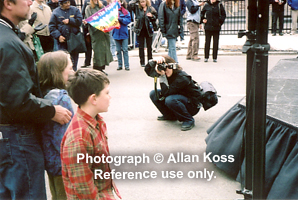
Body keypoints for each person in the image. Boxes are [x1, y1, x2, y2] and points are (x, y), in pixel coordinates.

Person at [0, 0, 72, 198]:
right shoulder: (8, 43)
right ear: (8, 3)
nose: (30, 2)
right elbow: (18, 101)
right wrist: (51, 111)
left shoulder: (8, 37)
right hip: (16, 137)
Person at [61, 68, 121, 199]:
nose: (110, 97)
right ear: (93, 98)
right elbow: (85, 190)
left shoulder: (95, 121)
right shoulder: (79, 137)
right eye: (107, 93)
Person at [37, 51, 74, 200]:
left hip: (51, 162)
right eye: (70, 68)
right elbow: (63, 139)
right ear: (58, 72)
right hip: (63, 165)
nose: (73, 71)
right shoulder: (61, 98)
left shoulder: (44, 96)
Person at [145, 55, 201, 131]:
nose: (165, 71)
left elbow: (166, 93)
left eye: (167, 68)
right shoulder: (166, 73)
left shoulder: (182, 78)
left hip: (192, 105)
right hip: (179, 99)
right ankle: (169, 116)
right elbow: (148, 71)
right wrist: (153, 61)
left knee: (170, 99)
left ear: (172, 66)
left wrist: (162, 76)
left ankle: (188, 119)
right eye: (163, 68)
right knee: (154, 94)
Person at [49, 0, 83, 71]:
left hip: (73, 40)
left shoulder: (75, 10)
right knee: (63, 61)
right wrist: (58, 36)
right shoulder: (56, 12)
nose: (68, 4)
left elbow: (79, 21)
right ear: (61, 4)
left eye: (68, 2)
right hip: (63, 41)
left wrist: (70, 21)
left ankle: (73, 74)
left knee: (74, 60)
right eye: (65, 3)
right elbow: (52, 27)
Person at [84, 0, 113, 75]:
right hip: (96, 32)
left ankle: (101, 68)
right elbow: (89, 18)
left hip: (104, 31)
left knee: (105, 50)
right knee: (98, 51)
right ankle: (97, 69)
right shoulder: (89, 7)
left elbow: (106, 16)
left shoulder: (102, 6)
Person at [130, 0, 157, 67]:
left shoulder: (150, 8)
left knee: (149, 47)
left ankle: (150, 61)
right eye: (141, 2)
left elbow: (156, 17)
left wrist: (152, 16)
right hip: (140, 29)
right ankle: (142, 62)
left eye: (143, 2)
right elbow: (130, 4)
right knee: (141, 47)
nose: (142, 3)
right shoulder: (137, 8)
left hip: (148, 30)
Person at [113, 0, 132, 71]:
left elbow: (128, 20)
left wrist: (120, 19)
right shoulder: (113, 12)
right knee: (118, 50)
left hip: (124, 33)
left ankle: (127, 65)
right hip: (116, 33)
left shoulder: (126, 12)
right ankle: (120, 65)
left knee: (125, 50)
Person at [81, 0, 92, 68]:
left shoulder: (102, 2)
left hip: (98, 28)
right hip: (87, 27)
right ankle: (87, 62)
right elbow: (82, 14)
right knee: (88, 46)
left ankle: (99, 64)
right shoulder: (86, 2)